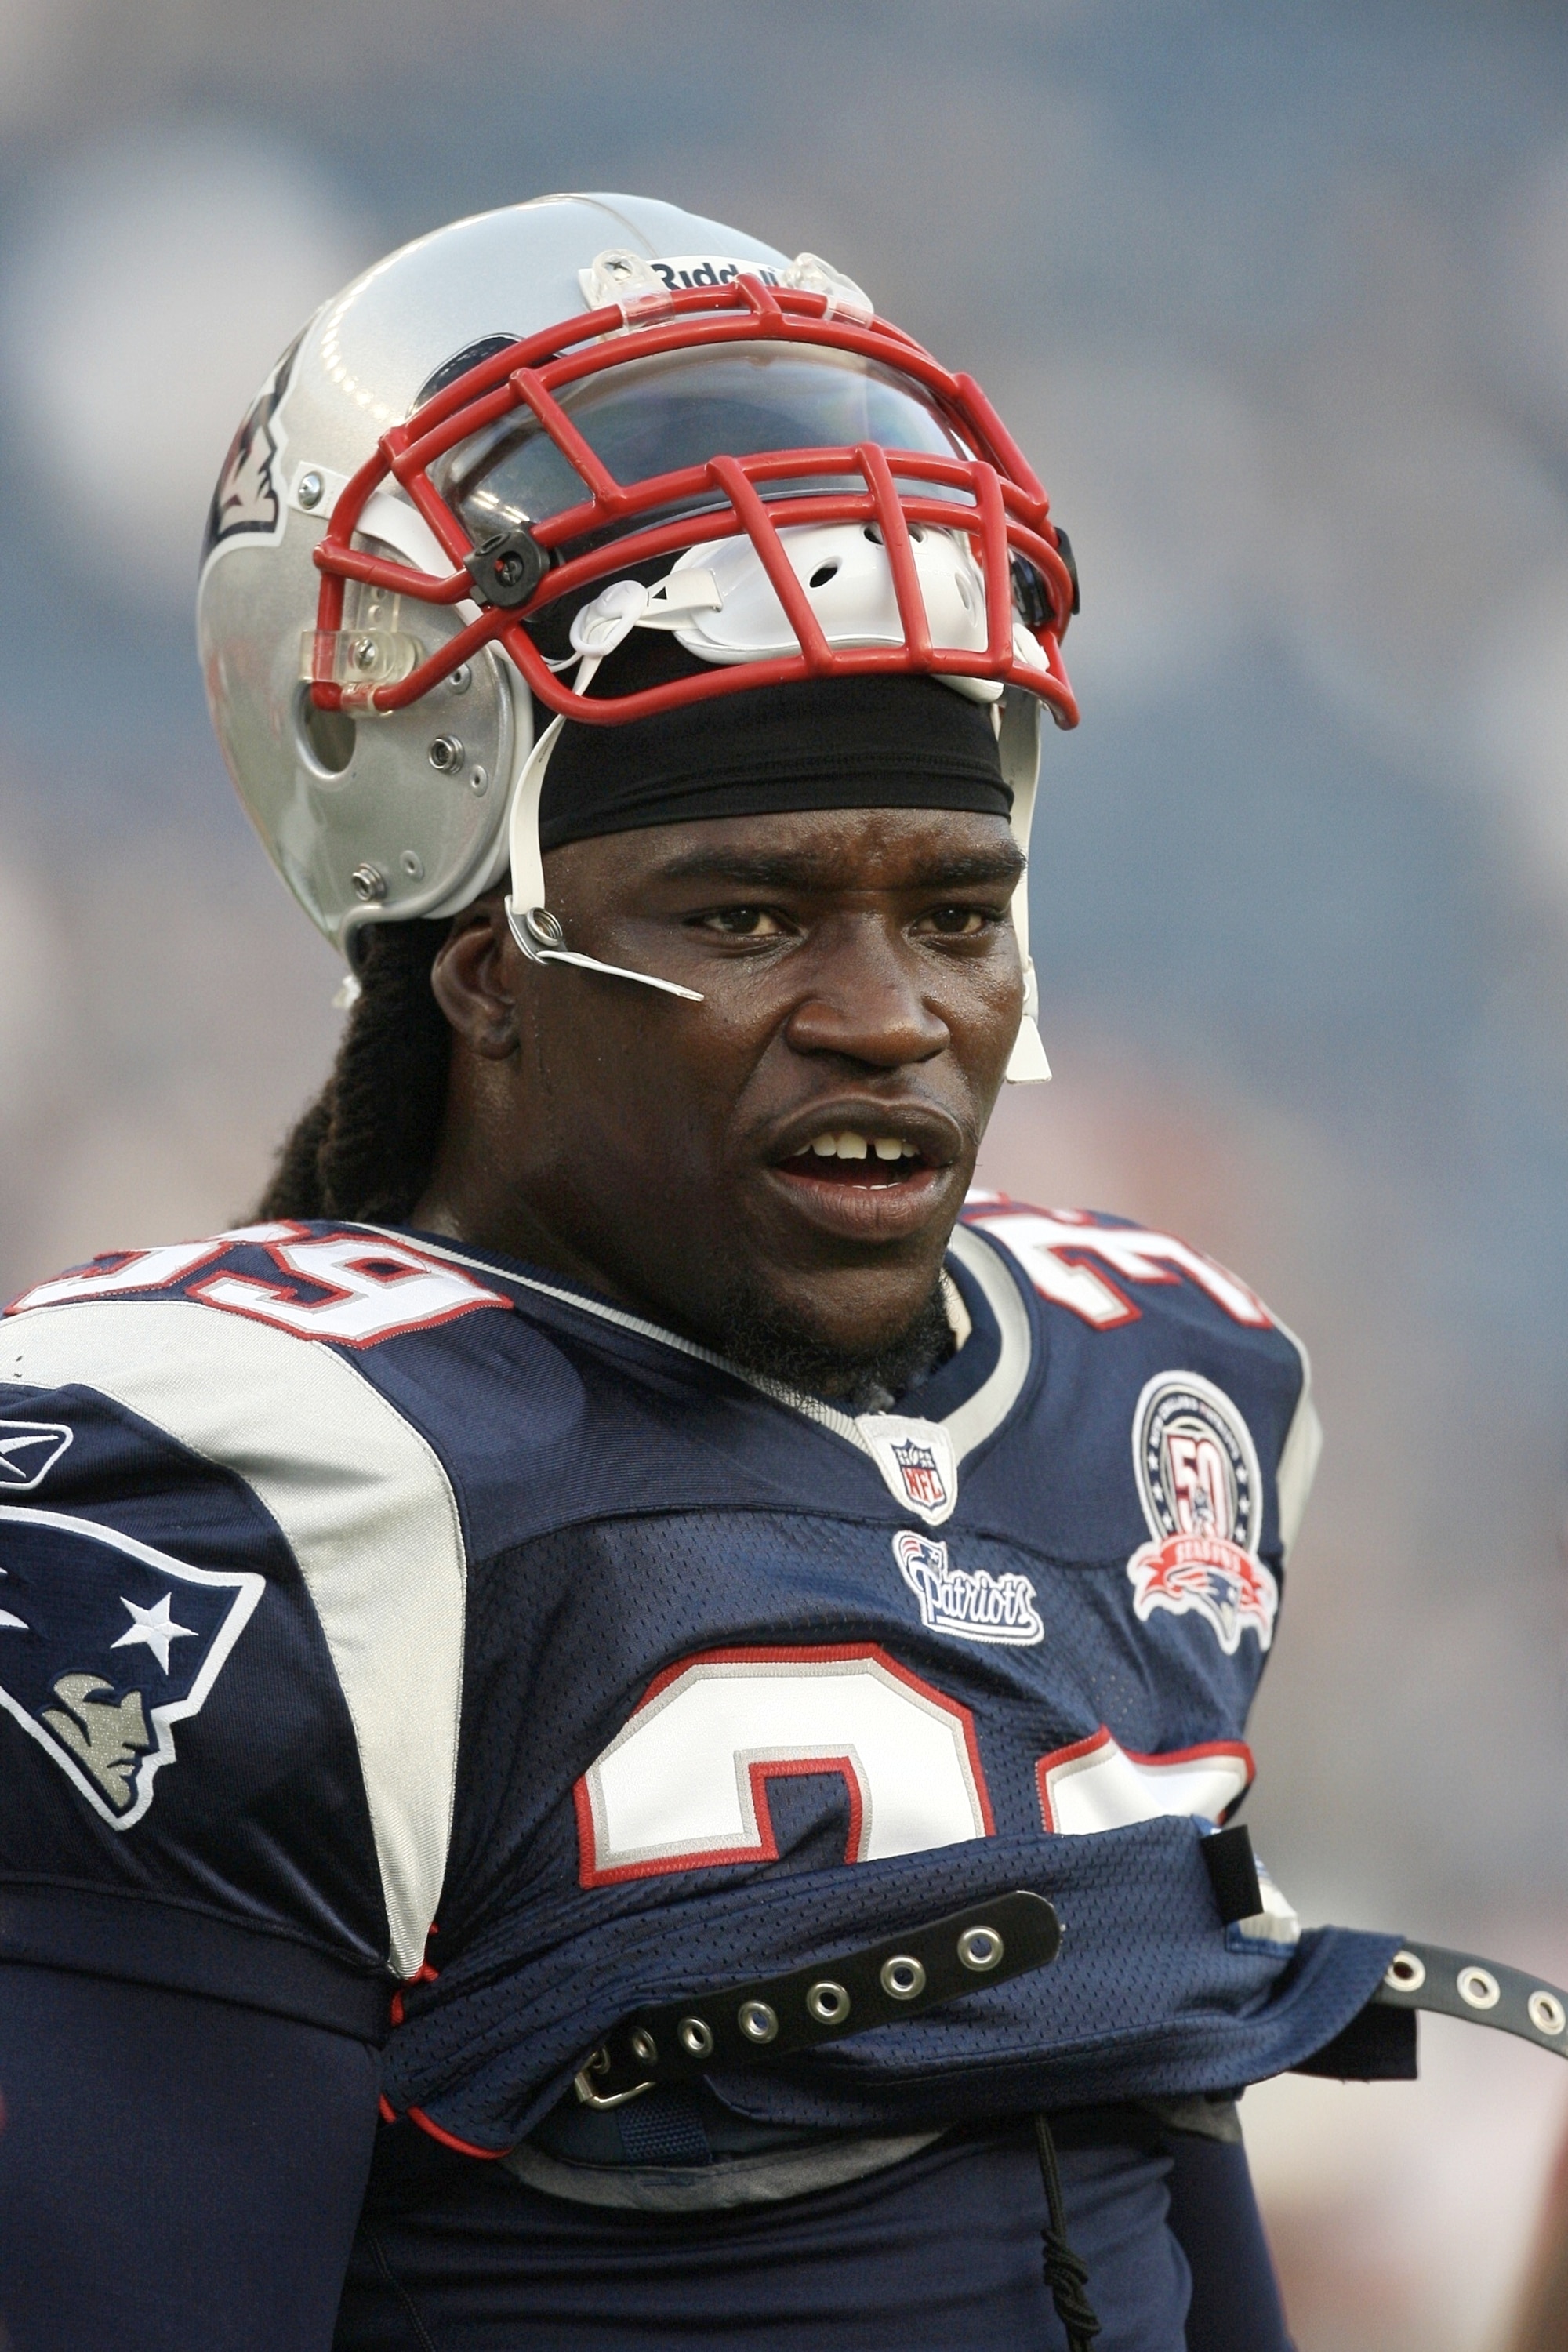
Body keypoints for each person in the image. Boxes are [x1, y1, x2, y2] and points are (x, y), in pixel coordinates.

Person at [0, 192, 1404, 2351]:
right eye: (748, 919)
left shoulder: (1157, 1395)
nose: (888, 1016)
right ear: (484, 970)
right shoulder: (243, 1493)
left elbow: (1159, 2151)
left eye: (953, 914)